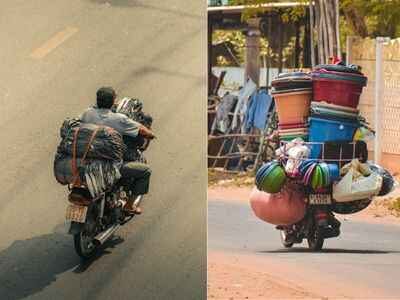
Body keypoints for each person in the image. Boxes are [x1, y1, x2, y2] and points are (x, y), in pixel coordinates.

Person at [80, 87, 155, 214]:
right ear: (113, 102)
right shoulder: (119, 119)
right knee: (145, 171)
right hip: (110, 166)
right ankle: (130, 205)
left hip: (86, 159)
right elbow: (142, 131)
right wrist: (151, 134)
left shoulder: (87, 113)